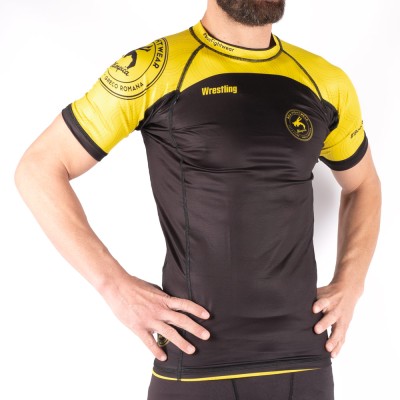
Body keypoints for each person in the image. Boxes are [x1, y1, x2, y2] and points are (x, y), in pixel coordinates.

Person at [15, 0, 381, 399]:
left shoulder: (325, 81)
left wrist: (352, 282)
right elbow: (39, 168)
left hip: (304, 362)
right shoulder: (157, 68)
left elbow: (363, 184)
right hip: (196, 361)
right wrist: (113, 286)